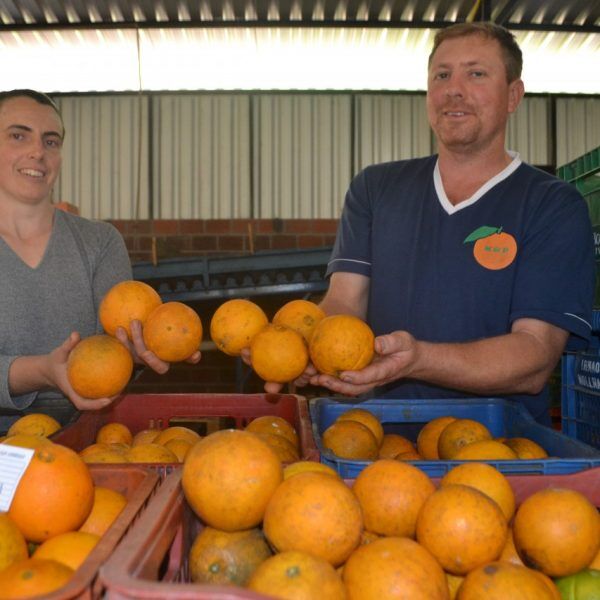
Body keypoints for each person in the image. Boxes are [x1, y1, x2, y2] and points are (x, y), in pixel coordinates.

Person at [259, 22, 595, 425]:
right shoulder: (376, 188)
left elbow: (534, 356)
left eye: (476, 73)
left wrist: (418, 359)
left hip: (496, 451)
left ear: (512, 96)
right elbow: (344, 303)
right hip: (374, 441)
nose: (454, 88)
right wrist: (295, 342)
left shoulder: (551, 205)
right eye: (441, 74)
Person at [0, 89, 195, 428]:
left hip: (88, 445)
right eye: (19, 136)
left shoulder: (99, 242)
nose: (37, 152)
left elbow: (115, 342)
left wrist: (136, 350)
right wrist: (43, 371)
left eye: (51, 142)